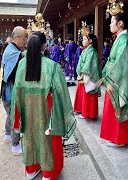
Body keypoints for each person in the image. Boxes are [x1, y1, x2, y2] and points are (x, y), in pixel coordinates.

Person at [10, 32, 76, 180]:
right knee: (47, 140)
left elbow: (17, 92)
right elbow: (61, 94)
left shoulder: (21, 64)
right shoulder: (53, 66)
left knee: (30, 137)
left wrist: (19, 114)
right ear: (44, 45)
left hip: (27, 109)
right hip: (46, 110)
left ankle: (31, 169)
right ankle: (48, 173)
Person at [99, 9, 128, 147]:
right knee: (113, 109)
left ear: (121, 23)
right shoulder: (121, 38)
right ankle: (115, 136)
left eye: (112, 22)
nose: (110, 25)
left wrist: (112, 80)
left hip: (119, 81)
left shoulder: (124, 40)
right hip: (115, 79)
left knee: (119, 108)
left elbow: (122, 63)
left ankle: (120, 138)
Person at [0, 26, 28, 155]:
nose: (25, 41)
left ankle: (7, 135)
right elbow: (11, 76)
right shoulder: (15, 53)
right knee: (15, 116)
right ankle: (15, 145)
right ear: (16, 38)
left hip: (6, 90)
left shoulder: (9, 49)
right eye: (24, 38)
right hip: (11, 91)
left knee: (10, 114)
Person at [73, 31, 100, 119]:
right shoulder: (86, 50)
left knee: (88, 94)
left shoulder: (91, 51)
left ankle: (88, 113)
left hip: (89, 76)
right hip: (83, 75)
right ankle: (80, 109)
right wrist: (79, 73)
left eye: (85, 39)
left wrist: (81, 75)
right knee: (82, 94)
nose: (83, 41)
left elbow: (88, 65)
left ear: (90, 41)